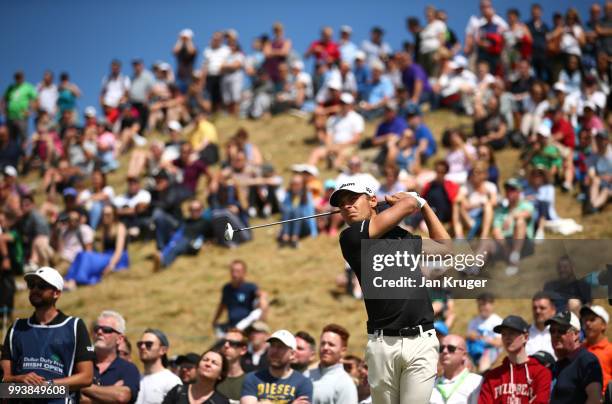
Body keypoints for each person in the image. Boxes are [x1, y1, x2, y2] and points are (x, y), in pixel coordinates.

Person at [331, 177, 450, 404]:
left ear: (372, 201)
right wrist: (410, 200)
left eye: (353, 199)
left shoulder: (401, 237)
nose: (347, 206)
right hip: (383, 344)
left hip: (421, 341)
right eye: (342, 204)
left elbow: (446, 249)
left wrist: (424, 206)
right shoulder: (350, 237)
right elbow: (407, 206)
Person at [1, 267, 94, 403]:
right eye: (32, 285)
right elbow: (4, 383)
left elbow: (86, 377)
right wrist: (18, 379)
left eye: (42, 286)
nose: (35, 290)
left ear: (56, 293)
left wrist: (46, 387)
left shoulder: (74, 326)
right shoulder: (16, 327)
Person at [478, 315, 552, 404]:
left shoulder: (541, 373)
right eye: (504, 334)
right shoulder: (492, 377)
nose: (507, 337)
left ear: (525, 337)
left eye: (512, 333)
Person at [81, 310, 141, 404]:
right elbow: (52, 392)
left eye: (107, 330)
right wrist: (109, 396)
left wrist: (78, 385)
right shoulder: (79, 362)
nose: (100, 332)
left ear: (119, 339)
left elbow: (122, 396)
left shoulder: (128, 368)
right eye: (96, 329)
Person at [64, 204, 129, 289]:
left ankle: (76, 281)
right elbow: (102, 249)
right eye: (104, 214)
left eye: (108, 215)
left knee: (86, 256)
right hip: (106, 256)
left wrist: (111, 265)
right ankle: (69, 279)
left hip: (117, 258)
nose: (105, 217)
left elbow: (119, 251)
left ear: (114, 215)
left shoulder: (120, 227)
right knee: (81, 254)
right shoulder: (104, 229)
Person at [240, 329, 313, 403]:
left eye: (280, 347)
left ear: (292, 354)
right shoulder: (253, 378)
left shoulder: (303, 383)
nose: (274, 350)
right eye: (272, 345)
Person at [547, 310, 603, 403]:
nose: (555, 335)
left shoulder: (586, 360)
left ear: (576, 334)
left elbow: (595, 398)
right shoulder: (554, 366)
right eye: (552, 331)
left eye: (561, 331)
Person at [212, 260, 269, 334]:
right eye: (232, 271)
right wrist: (215, 320)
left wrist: (262, 297)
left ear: (244, 273)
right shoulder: (226, 288)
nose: (234, 274)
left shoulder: (250, 287)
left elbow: (261, 295)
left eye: (238, 271)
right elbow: (222, 305)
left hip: (246, 326)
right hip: (231, 325)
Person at [308, 324, 358, 404]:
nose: (325, 348)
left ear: (343, 351)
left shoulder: (345, 384)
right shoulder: (307, 375)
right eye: (323, 343)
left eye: (331, 344)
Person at [162, 349, 230, 404]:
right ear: (197, 366)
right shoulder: (177, 392)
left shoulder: (222, 402)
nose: (208, 364)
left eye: (214, 363)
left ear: (221, 374)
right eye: (205, 360)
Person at [429, 334, 482, 404]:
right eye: (441, 348)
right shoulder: (431, 385)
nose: (445, 351)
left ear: (464, 355)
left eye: (451, 348)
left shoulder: (477, 382)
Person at [136, 328, 182, 404]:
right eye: (140, 344)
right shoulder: (135, 379)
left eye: (148, 344)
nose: (142, 347)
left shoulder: (172, 381)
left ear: (163, 350)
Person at [466, 292, 502, 373]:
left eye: (485, 304)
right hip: (473, 349)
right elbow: (468, 335)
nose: (482, 307)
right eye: (480, 305)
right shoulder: (474, 321)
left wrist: (483, 339)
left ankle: (482, 377)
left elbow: (499, 342)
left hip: (490, 350)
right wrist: (472, 336)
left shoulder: (497, 321)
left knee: (484, 362)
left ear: (492, 305)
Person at [580, 305, 612, 395]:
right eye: (585, 320)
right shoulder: (579, 350)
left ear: (603, 325)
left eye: (592, 320)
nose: (587, 323)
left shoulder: (610, 350)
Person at [4, 71, 37, 143]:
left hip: (22, 117)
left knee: (23, 137)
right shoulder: (10, 88)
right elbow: (4, 100)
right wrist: (4, 111)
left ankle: (23, 153)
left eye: (20, 76)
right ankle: (12, 154)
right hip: (10, 117)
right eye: (16, 77)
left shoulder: (28, 87)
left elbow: (35, 99)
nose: (18, 78)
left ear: (23, 77)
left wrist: (31, 111)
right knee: (10, 138)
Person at [201, 32, 230, 112]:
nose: (215, 40)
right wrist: (202, 79)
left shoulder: (226, 49)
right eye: (214, 38)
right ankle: (212, 114)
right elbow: (205, 66)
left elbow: (226, 62)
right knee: (209, 96)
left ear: (221, 40)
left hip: (221, 76)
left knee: (220, 96)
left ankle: (220, 113)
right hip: (209, 76)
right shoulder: (207, 50)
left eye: (217, 39)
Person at [216, 328, 248, 401]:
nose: (226, 345)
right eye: (223, 342)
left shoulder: (250, 382)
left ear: (243, 350)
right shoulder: (211, 379)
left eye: (232, 343)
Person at [526, 291, 557, 357]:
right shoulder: (524, 333)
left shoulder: (560, 333)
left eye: (542, 308)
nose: (538, 311)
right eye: (535, 308)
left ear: (553, 310)